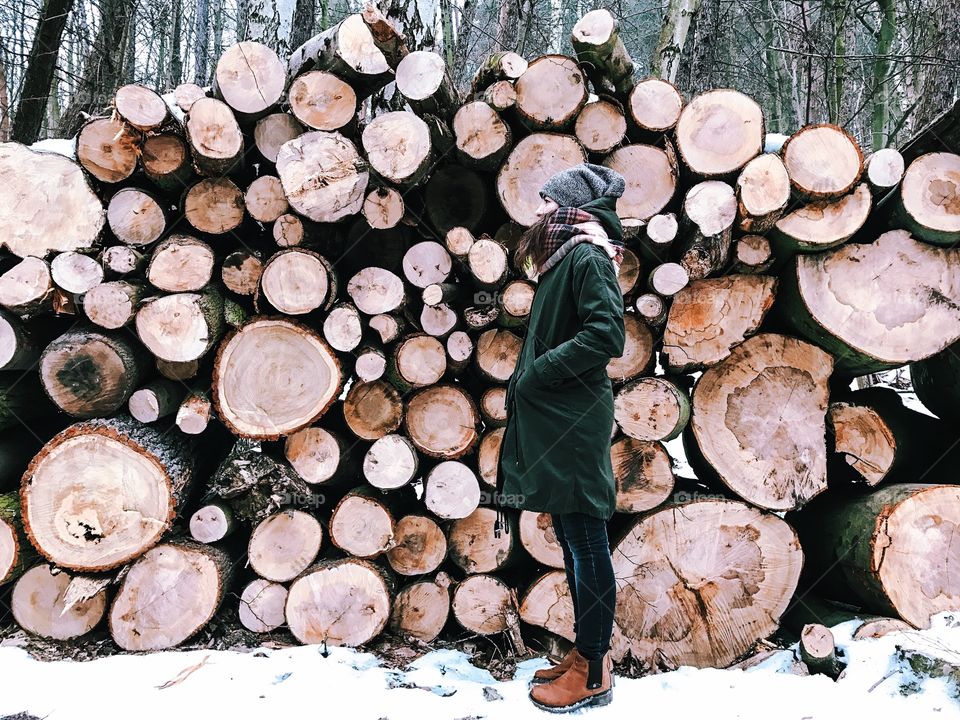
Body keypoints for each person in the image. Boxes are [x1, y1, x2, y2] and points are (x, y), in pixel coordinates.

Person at [493, 163, 626, 713]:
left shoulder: (587, 256)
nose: (539, 211)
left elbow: (606, 334)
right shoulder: (565, 259)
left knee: (587, 542)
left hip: (573, 422)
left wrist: (538, 372)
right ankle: (584, 653)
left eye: (547, 202)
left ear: (570, 208)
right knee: (573, 542)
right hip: (559, 420)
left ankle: (594, 670)